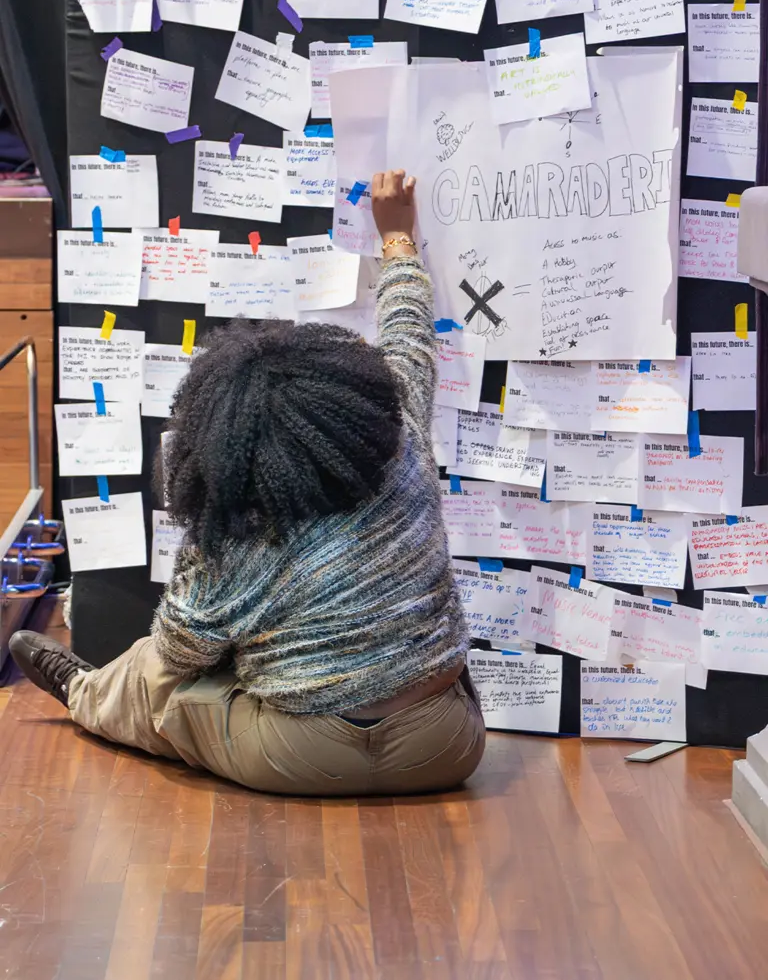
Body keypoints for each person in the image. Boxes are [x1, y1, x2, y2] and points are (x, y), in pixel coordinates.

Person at [11, 170, 485, 795]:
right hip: (447, 744)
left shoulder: (235, 536)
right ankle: (95, 689)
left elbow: (176, 653)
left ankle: (83, 691)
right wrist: (397, 239)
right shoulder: (403, 446)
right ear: (346, 397)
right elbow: (408, 338)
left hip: (302, 756)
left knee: (169, 694)